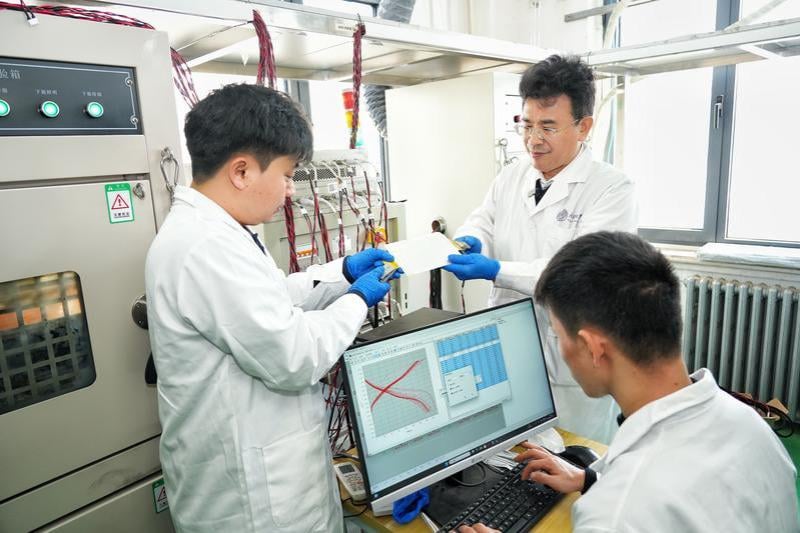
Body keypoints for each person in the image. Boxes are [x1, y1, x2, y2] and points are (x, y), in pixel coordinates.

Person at [145, 84, 399, 532]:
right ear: (241, 171)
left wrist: (342, 274)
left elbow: (269, 300)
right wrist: (357, 300)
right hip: (253, 503)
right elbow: (295, 356)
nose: (290, 190)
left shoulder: (218, 230)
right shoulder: (206, 246)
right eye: (286, 175)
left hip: (274, 478)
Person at [459, 231, 799, 533]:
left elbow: (635, 508)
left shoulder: (615, 513)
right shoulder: (748, 423)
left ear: (593, 348)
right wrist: (589, 478)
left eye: (559, 335)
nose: (560, 349)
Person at [443, 55, 636, 443]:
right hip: (508, 347)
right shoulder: (512, 175)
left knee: (576, 456)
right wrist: (471, 238)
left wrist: (496, 270)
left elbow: (580, 275)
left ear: (583, 127)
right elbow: (484, 218)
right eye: (527, 125)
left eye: (548, 127)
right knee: (510, 455)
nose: (533, 139)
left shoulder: (611, 188)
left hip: (572, 366)